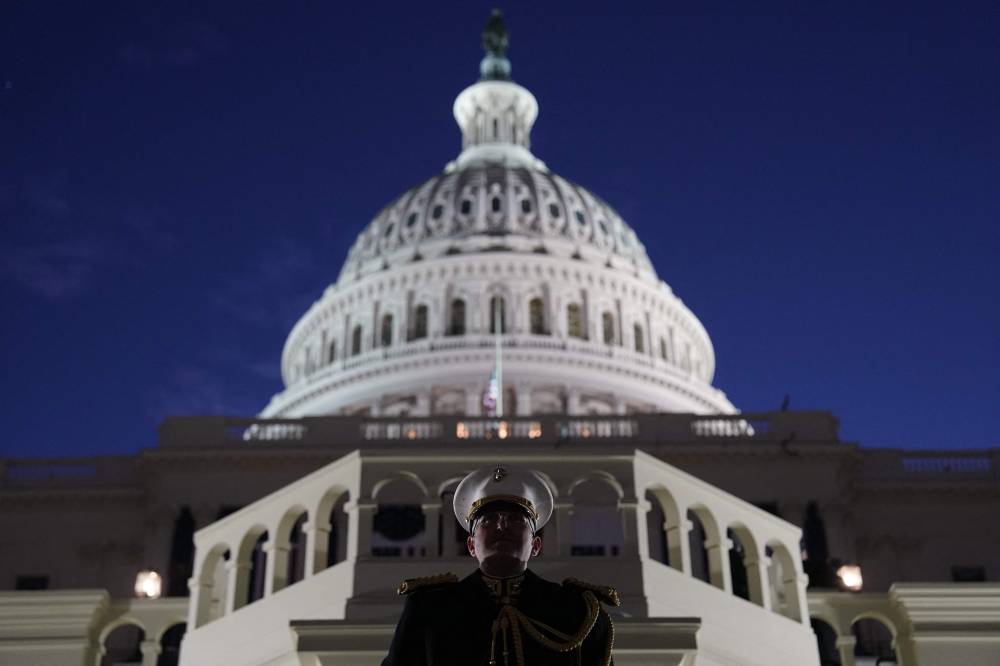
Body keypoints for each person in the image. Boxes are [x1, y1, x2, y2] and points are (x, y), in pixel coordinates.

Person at [382, 464, 618, 666]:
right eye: (488, 520)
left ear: (536, 545)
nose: (501, 526)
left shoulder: (578, 611)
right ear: (471, 545)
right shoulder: (429, 608)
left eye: (516, 520)